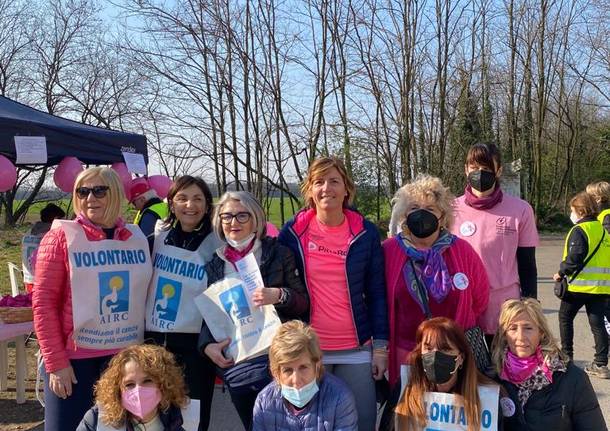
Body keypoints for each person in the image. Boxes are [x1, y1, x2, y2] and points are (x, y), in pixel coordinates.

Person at [33, 167, 152, 431]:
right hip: (74, 361)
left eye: (99, 190)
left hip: (123, 358)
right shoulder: (61, 237)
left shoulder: (135, 238)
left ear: (117, 194)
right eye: (82, 191)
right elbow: (43, 303)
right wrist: (56, 362)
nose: (90, 198)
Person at [278, 156, 388, 431]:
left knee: (362, 423)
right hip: (309, 351)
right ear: (310, 190)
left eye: (334, 181)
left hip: (357, 349)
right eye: (319, 182)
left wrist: (381, 348)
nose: (326, 187)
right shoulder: (293, 232)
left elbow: (377, 293)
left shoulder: (365, 232)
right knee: (311, 425)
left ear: (347, 189)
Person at [198, 191, 309, 430]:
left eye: (241, 216)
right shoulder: (215, 264)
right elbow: (210, 317)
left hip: (279, 359)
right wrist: (207, 346)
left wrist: (279, 295)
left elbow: (303, 302)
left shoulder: (278, 253)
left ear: (256, 219)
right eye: (226, 217)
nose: (233, 223)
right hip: (241, 367)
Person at [384, 174, 490, 387]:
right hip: (406, 353)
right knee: (411, 414)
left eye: (430, 209)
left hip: (452, 355)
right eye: (414, 208)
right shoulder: (388, 251)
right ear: (404, 215)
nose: (421, 214)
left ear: (442, 217)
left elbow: (480, 299)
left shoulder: (463, 251)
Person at [144, 175, 222, 431]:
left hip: (194, 349)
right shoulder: (156, 238)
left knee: (192, 420)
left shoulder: (217, 244)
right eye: (183, 198)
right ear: (171, 203)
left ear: (207, 205)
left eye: (198, 198)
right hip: (153, 344)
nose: (190, 205)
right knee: (152, 416)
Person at [451, 143, 539, 344]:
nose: (480, 174)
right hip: (463, 308)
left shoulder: (520, 210)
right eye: (474, 168)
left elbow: (527, 265)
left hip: (505, 310)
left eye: (487, 169)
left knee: (503, 372)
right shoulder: (449, 210)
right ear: (466, 169)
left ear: (498, 171)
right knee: (470, 373)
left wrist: (531, 306)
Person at [493, 298, 606, 430]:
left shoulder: (573, 379)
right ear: (504, 335)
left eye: (528, 328)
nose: (520, 336)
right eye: (512, 328)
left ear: (541, 333)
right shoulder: (492, 378)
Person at [395, 317, 502, 431]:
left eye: (445, 349)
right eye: (428, 348)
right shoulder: (405, 387)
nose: (435, 356)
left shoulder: (487, 398)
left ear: (460, 358)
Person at [252, 320, 357, 431]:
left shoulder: (340, 398)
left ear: (317, 366)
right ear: (276, 373)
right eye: (287, 370)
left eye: (303, 368)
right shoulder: (264, 402)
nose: (296, 380)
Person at [552, 191, 610, 378]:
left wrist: (561, 272)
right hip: (600, 287)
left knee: (565, 318)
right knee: (597, 324)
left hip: (578, 286)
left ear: (581, 210)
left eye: (572, 210)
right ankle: (601, 364)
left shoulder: (579, 230)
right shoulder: (602, 230)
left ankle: (567, 357)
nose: (571, 213)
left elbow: (575, 258)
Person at [77, 344, 196, 431]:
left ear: (164, 384)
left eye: (147, 381)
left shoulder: (182, 420)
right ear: (117, 390)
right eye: (129, 384)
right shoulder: (96, 418)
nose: (138, 390)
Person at [22, 203, 66, 292]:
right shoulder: (52, 235)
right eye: (62, 219)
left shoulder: (28, 233)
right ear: (56, 219)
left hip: (28, 280)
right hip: (44, 283)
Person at [129, 177, 169, 251]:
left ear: (142, 199)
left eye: (134, 203)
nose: (135, 207)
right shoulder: (166, 207)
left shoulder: (149, 215)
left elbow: (145, 242)